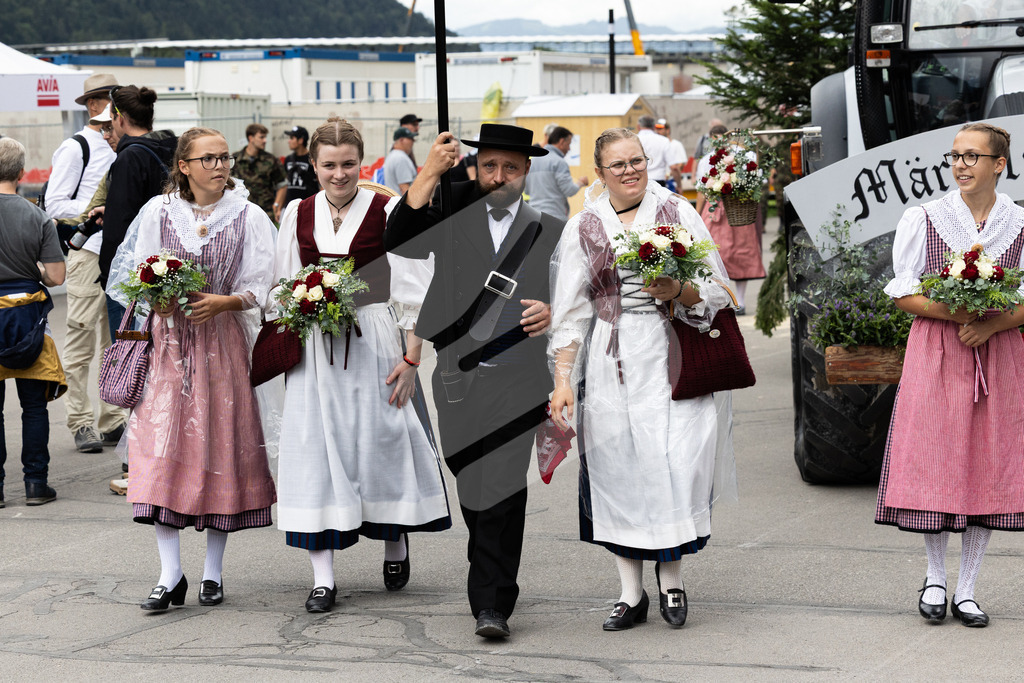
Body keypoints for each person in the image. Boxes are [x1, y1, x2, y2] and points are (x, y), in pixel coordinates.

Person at [548, 127, 736, 632]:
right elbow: (570, 312)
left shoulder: (677, 211)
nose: (630, 171)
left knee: (677, 462)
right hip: (611, 360)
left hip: (672, 349)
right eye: (619, 164)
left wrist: (679, 290)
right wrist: (563, 380)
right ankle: (631, 594)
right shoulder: (584, 226)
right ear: (600, 172)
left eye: (637, 160)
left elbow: (718, 290)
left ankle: (672, 580)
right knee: (618, 467)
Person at [385, 124, 564, 639]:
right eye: (489, 166)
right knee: (470, 482)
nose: (499, 176)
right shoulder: (451, 212)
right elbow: (398, 239)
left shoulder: (550, 229)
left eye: (510, 167)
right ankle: (487, 564)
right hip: (457, 378)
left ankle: (492, 604)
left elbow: (576, 296)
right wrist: (430, 170)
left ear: (526, 172)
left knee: (502, 489)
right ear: (475, 167)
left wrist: (552, 310)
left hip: (520, 377)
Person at [273, 117, 450, 614]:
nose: (339, 174)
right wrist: (299, 307)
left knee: (382, 442)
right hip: (315, 346)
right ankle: (323, 577)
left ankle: (394, 539)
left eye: (348, 164)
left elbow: (416, 287)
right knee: (316, 449)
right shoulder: (297, 212)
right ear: (313, 165)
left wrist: (412, 358)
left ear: (362, 162)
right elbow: (281, 284)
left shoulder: (388, 209)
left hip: (373, 336)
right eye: (329, 165)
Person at [106, 127, 278, 611]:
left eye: (224, 158)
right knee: (159, 449)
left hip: (222, 344)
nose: (220, 166)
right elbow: (134, 272)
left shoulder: (248, 215)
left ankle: (212, 573)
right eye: (209, 159)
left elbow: (265, 284)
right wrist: (158, 298)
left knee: (220, 448)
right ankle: (170, 573)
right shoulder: (158, 212)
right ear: (184, 166)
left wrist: (225, 302)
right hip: (167, 345)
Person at [876, 122, 1024, 628]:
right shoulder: (924, 218)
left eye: (972, 156)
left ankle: (968, 589)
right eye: (955, 155)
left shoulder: (1019, 223)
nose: (960, 164)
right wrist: (958, 314)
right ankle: (936, 577)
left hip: (998, 354)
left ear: (999, 164)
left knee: (990, 463)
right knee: (934, 460)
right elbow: (902, 292)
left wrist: (994, 324)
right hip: (939, 350)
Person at [44, 75, 124, 454]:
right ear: (92, 104)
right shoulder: (76, 147)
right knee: (80, 336)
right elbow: (55, 204)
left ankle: (111, 417)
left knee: (114, 339)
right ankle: (80, 420)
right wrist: (98, 209)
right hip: (89, 251)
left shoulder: (121, 142)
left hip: (119, 253)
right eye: (107, 98)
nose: (113, 105)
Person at [0, 138, 67, 508]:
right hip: (28, 317)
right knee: (34, 407)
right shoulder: (37, 217)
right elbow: (56, 277)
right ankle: (36, 484)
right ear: (21, 173)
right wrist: (34, 270)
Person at [99, 85, 177, 340]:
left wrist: (108, 274)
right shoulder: (175, 149)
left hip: (135, 276)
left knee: (131, 355)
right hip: (173, 267)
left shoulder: (130, 157)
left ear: (120, 118)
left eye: (111, 119)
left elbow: (119, 227)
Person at [694, 125, 765, 314]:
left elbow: (756, 181)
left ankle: (737, 301)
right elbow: (702, 190)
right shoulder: (709, 159)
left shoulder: (742, 155)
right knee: (719, 255)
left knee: (738, 254)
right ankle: (728, 299)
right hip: (723, 210)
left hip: (737, 210)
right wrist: (698, 215)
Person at [524, 125, 588, 222]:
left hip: (534, 217)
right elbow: (569, 190)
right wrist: (580, 183)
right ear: (562, 142)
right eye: (569, 144)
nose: (569, 149)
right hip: (555, 217)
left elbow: (527, 190)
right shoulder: (559, 162)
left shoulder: (533, 161)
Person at [234, 123, 286, 223]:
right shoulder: (236, 159)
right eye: (261, 137)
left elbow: (282, 185)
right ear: (251, 138)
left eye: (265, 137)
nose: (265, 140)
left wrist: (277, 205)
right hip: (241, 213)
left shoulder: (271, 160)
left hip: (265, 213)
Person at [283, 126, 319, 206]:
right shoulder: (288, 159)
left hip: (308, 205)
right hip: (290, 206)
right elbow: (285, 184)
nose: (289, 141)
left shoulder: (312, 159)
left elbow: (321, 183)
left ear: (300, 140)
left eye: (292, 138)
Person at [636, 115, 671, 187]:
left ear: (638, 126)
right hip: (659, 179)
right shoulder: (664, 140)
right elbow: (673, 166)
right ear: (654, 127)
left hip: (639, 179)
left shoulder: (633, 140)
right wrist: (679, 185)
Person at [382, 127, 418, 195]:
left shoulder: (392, 155)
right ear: (401, 140)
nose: (413, 141)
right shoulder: (401, 158)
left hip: (394, 199)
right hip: (400, 200)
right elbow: (405, 190)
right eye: (410, 138)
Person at [655, 119, 688, 193]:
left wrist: (669, 174)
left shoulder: (676, 144)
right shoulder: (656, 145)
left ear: (667, 130)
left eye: (660, 129)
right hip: (658, 182)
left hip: (671, 182)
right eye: (657, 129)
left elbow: (680, 164)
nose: (658, 131)